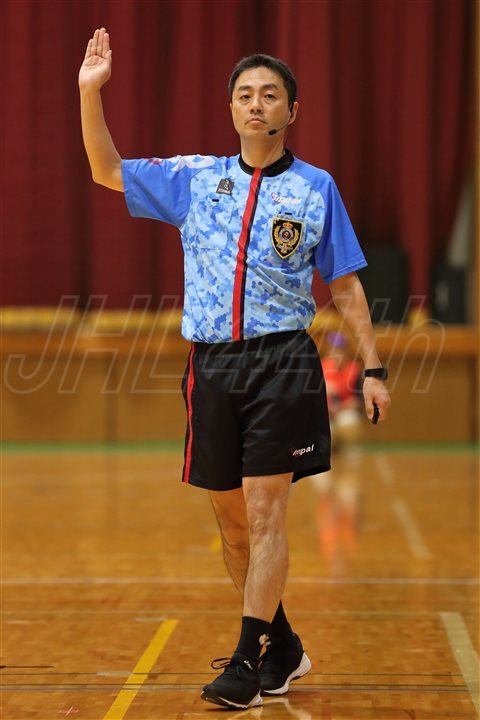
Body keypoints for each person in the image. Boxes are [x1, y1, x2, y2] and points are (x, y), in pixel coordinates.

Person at [79, 28, 391, 711]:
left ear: (291, 111)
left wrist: (373, 367)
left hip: (283, 363)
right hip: (212, 367)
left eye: (270, 95)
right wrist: (89, 93)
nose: (256, 104)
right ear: (230, 109)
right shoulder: (195, 178)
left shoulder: (316, 189)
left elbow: (345, 286)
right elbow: (106, 169)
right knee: (233, 523)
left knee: (265, 507)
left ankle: (247, 662)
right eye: (245, 94)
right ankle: (284, 646)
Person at [322, 331, 363, 449]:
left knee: (348, 422)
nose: (336, 353)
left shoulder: (354, 370)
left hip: (344, 412)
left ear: (346, 351)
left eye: (339, 350)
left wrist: (340, 408)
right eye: (332, 349)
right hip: (325, 413)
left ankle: (351, 450)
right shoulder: (321, 367)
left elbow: (358, 400)